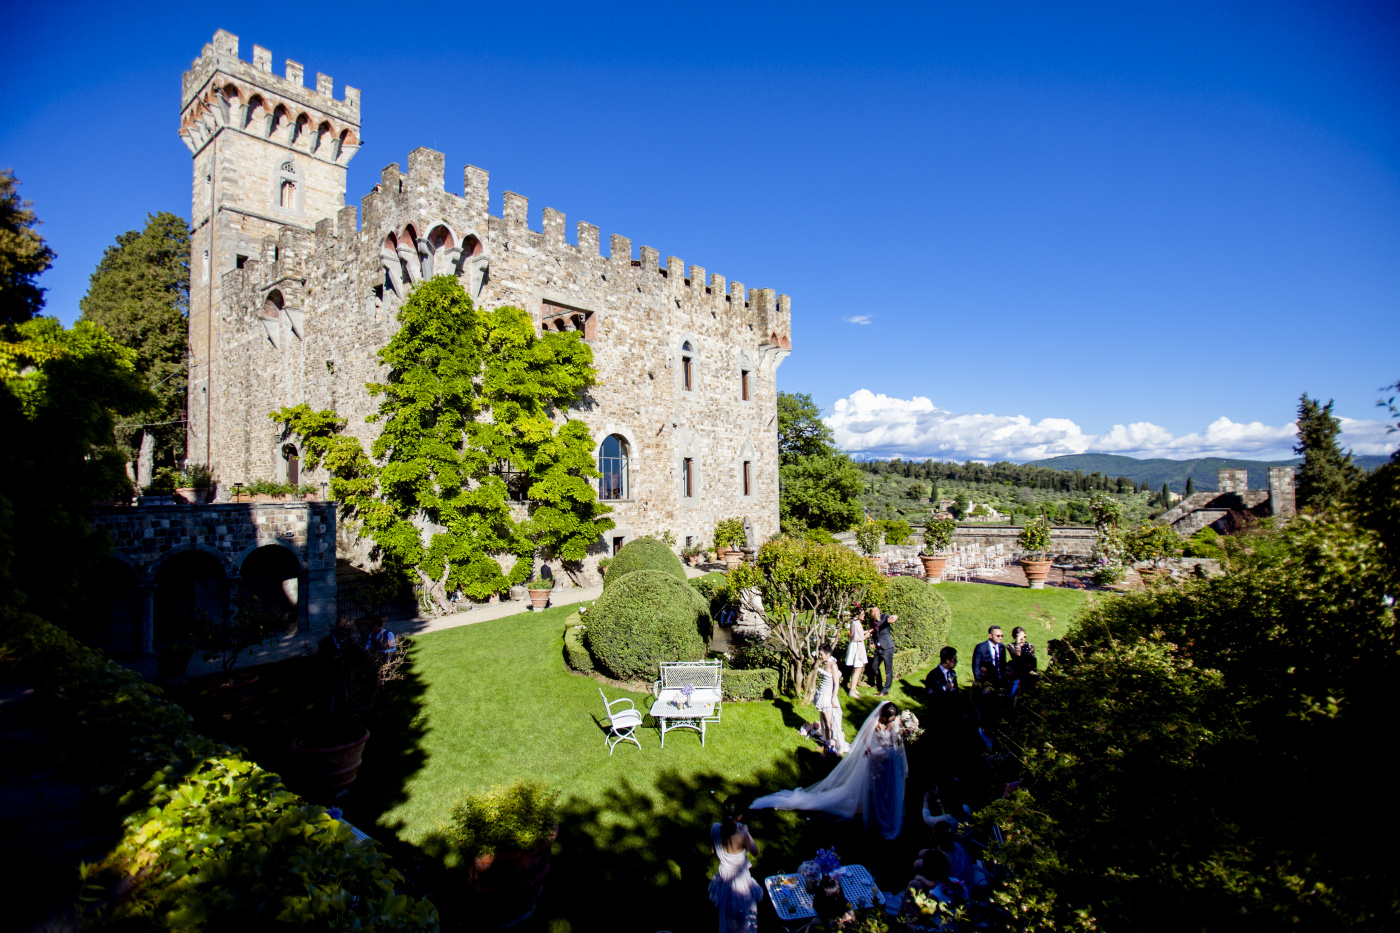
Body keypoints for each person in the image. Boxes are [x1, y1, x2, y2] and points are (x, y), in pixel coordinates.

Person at [750, 701, 908, 840]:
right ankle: (872, 813)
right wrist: (870, 750)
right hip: (877, 760)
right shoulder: (875, 723)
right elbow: (865, 740)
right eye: (888, 719)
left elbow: (897, 741)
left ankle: (880, 811)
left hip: (886, 762)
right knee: (873, 788)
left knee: (886, 789)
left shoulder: (896, 722)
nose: (890, 721)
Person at [709, 809, 762, 933]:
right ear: (739, 816)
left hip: (725, 877)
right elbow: (755, 852)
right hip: (740, 880)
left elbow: (713, 850)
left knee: (728, 912)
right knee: (744, 913)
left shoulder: (715, 828)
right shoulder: (742, 835)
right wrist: (747, 833)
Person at [814, 644, 847, 755]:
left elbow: (837, 685)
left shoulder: (833, 665)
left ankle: (830, 746)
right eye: (819, 654)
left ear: (828, 654)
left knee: (829, 723)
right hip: (822, 694)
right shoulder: (824, 663)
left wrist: (833, 699)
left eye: (821, 654)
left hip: (828, 697)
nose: (820, 656)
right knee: (823, 721)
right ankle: (826, 744)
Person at [871, 606, 898, 695]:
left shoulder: (885, 617)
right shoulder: (872, 621)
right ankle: (879, 685)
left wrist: (894, 617)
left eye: (876, 611)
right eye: (872, 612)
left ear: (879, 611)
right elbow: (874, 633)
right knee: (874, 667)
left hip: (887, 647)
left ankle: (885, 690)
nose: (874, 613)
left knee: (888, 669)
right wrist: (872, 641)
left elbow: (882, 623)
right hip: (878, 648)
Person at [1007, 625, 1038, 694]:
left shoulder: (1030, 646)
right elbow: (1018, 655)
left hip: (1029, 673)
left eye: (1024, 637)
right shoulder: (1011, 646)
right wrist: (1018, 642)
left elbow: (1033, 660)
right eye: (1021, 638)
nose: (1023, 639)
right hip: (1018, 673)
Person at [845, 612, 870, 698]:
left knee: (857, 668)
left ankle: (853, 688)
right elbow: (859, 638)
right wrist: (868, 634)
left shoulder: (855, 622)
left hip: (856, 645)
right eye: (862, 614)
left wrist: (868, 630)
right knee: (858, 668)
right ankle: (852, 691)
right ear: (857, 615)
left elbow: (859, 633)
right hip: (857, 646)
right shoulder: (856, 623)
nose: (864, 616)